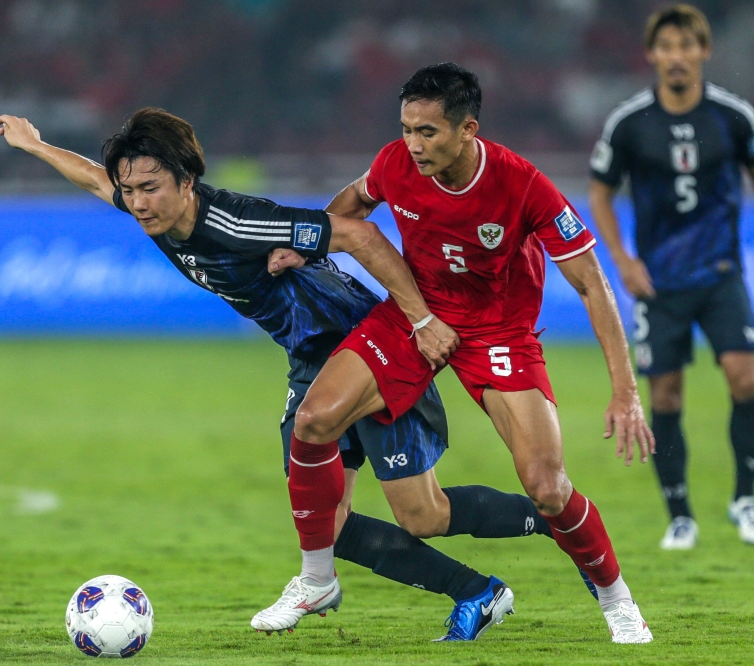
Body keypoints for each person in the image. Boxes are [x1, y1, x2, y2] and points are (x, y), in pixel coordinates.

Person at [0, 108, 596, 642]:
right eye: (131, 191)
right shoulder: (150, 207)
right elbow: (96, 180)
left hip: (364, 348)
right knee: (326, 521)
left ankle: (547, 517)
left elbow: (359, 233)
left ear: (186, 183)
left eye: (150, 188)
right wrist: (34, 145)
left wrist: (420, 321)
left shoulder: (236, 224)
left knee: (422, 515)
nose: (137, 202)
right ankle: (475, 592)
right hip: (311, 358)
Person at [265, 62, 656, 644]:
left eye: (429, 132)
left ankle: (616, 599)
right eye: (406, 129)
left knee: (548, 487)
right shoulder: (396, 163)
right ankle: (316, 578)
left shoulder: (523, 184)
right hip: (416, 314)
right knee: (316, 418)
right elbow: (355, 199)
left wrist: (625, 392)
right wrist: (311, 242)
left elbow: (592, 284)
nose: (413, 145)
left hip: (498, 331)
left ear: (467, 129)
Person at [588, 5, 754, 551]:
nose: (677, 56)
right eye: (667, 46)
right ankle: (680, 513)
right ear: (652, 55)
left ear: (704, 51)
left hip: (720, 272)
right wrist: (622, 258)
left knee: (746, 378)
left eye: (687, 45)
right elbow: (600, 192)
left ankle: (746, 499)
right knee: (665, 395)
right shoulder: (629, 122)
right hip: (658, 283)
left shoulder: (733, 117)